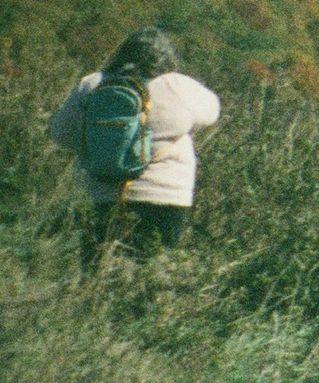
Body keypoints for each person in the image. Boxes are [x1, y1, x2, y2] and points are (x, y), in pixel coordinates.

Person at [50, 27, 222, 266]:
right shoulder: (179, 86)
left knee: (97, 273)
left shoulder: (93, 83)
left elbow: (61, 134)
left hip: (101, 195)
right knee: (152, 277)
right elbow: (213, 112)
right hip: (165, 198)